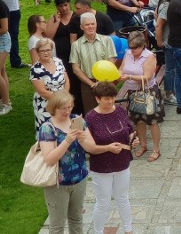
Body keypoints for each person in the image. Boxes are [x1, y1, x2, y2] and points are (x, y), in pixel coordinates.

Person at [78, 82, 137, 234]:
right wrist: (108, 148)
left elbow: (129, 129)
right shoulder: (90, 118)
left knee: (123, 198)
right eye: (106, 99)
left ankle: (128, 230)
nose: (110, 101)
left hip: (122, 162)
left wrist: (133, 139)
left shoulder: (120, 111)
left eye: (112, 98)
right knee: (103, 202)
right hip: (101, 166)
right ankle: (98, 231)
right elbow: (89, 147)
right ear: (97, 99)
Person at [37, 91, 89, 234]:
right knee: (57, 226)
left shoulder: (76, 121)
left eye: (70, 107)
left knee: (77, 219)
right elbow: (49, 159)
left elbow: (91, 146)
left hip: (79, 178)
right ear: (54, 108)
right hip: (58, 183)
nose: (68, 111)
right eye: (64, 108)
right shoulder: (47, 128)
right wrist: (67, 140)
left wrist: (83, 138)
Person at [119, 31, 163, 162]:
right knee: (138, 120)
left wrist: (129, 77)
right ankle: (143, 144)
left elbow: (147, 76)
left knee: (153, 121)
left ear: (142, 46)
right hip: (133, 91)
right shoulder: (128, 53)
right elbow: (121, 68)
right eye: (130, 47)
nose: (132, 51)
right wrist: (119, 74)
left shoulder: (149, 56)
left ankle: (156, 149)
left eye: (135, 48)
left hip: (148, 91)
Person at [69, 13, 117, 113]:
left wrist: (103, 80)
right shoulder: (76, 45)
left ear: (96, 24)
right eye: (87, 25)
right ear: (81, 27)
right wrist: (91, 84)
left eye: (92, 24)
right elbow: (76, 69)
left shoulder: (107, 40)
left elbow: (111, 61)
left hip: (106, 82)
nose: (90, 26)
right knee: (92, 114)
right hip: (88, 85)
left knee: (109, 111)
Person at [30, 38, 68, 132]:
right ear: (38, 52)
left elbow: (67, 80)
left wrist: (65, 96)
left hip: (63, 102)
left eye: (48, 50)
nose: (45, 53)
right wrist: (60, 99)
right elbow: (42, 92)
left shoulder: (58, 61)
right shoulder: (35, 69)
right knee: (47, 133)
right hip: (45, 105)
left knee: (62, 130)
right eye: (42, 51)